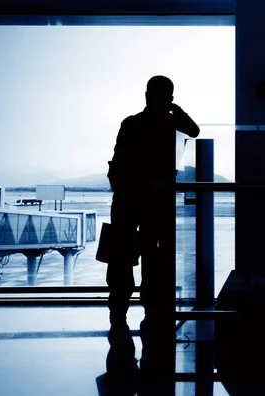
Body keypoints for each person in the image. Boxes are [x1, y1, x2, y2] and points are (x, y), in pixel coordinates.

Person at [106, 75, 200, 332]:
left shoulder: (131, 123)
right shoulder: (170, 124)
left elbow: (117, 160)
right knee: (153, 256)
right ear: (169, 98)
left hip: (127, 197)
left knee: (121, 256)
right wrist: (177, 110)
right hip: (157, 200)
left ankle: (118, 307)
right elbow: (194, 130)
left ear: (146, 95)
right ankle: (150, 307)